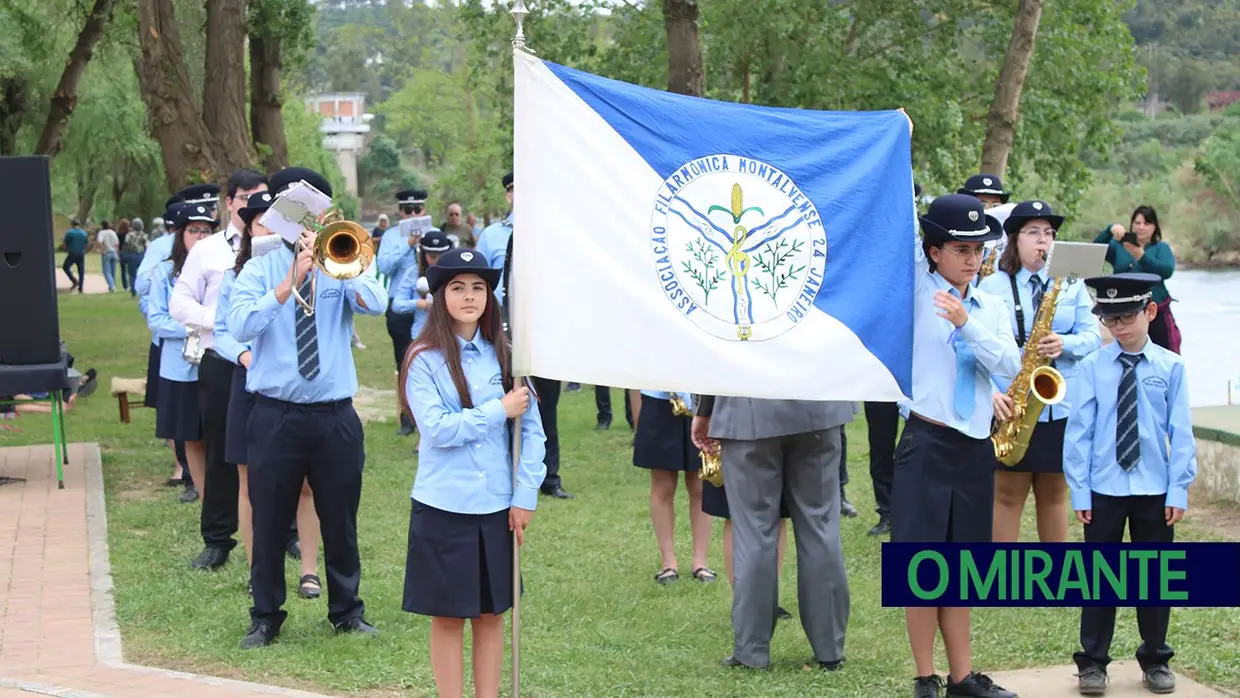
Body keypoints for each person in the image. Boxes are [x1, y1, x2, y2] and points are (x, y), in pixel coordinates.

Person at [227, 167, 385, 649]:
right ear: (278, 221)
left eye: (314, 219)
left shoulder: (345, 258)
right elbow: (238, 326)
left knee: (340, 517)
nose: (306, 229)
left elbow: (377, 304)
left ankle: (347, 611)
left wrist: (348, 270)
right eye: (297, 219)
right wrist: (290, 279)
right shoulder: (258, 269)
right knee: (271, 519)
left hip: (334, 414)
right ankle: (266, 616)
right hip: (276, 415)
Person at [399, 247, 546, 698]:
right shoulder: (424, 359)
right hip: (445, 505)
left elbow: (534, 433)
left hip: (497, 506)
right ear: (441, 295)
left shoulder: (505, 356)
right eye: (458, 288)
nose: (469, 297)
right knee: (448, 617)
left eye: (478, 288)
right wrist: (497, 410)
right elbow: (439, 431)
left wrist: (525, 494)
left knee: (491, 614)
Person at [896, 193, 1021, 698]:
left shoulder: (987, 304)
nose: (973, 258)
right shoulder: (910, 294)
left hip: (972, 444)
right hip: (927, 439)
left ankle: (962, 676)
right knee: (923, 563)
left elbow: (1011, 365)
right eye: (961, 249)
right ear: (933, 252)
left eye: (979, 249)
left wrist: (967, 325)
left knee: (962, 565)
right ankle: (925, 677)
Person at [1064, 272, 1197, 696]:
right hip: (1103, 488)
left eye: (1126, 317)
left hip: (1155, 490)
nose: (1118, 327)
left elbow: (1182, 433)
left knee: (1154, 578)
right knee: (1099, 578)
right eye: (1109, 319)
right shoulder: (1091, 367)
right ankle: (1093, 663)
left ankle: (1156, 657)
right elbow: (1079, 433)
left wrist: (1178, 489)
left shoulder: (1171, 367)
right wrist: (1080, 491)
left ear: (1150, 311)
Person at [690, 395, 854, 672]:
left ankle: (751, 650)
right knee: (821, 527)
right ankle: (830, 649)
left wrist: (704, 409)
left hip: (747, 408)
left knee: (754, 531)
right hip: (819, 406)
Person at [217, 190, 322, 599]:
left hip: (303, 389)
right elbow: (227, 328)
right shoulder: (241, 272)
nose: (265, 226)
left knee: (307, 486)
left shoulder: (315, 262)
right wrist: (243, 356)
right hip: (253, 383)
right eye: (258, 220)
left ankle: (309, 570)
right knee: (252, 486)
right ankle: (255, 566)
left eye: (271, 219)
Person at [980, 200, 1101, 544]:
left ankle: (1054, 577)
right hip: (1011, 401)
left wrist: (1065, 344)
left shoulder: (1071, 283)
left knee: (1054, 494)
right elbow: (979, 347)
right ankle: (1001, 576)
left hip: (1060, 405)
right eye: (1033, 232)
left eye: (1049, 233)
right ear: (1015, 239)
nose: (1043, 241)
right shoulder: (992, 285)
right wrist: (993, 393)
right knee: (1006, 494)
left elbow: (1093, 336)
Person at [171, 169, 267, 572]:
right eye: (245, 197)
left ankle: (286, 534)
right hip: (221, 362)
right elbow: (180, 305)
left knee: (275, 451)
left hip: (269, 363)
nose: (253, 204)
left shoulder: (278, 247)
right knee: (221, 453)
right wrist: (224, 319)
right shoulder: (207, 250)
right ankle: (217, 539)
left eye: (262, 197)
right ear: (229, 202)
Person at [488, 171, 572, 500]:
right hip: (498, 333)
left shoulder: (550, 235)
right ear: (508, 195)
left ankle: (549, 475)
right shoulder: (492, 235)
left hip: (541, 334)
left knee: (545, 406)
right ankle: (508, 473)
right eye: (514, 191)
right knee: (504, 404)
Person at [148, 204, 215, 511]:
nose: (200, 236)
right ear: (180, 233)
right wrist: (193, 324)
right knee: (187, 429)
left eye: (206, 230)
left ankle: (217, 484)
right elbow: (157, 319)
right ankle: (191, 480)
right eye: (194, 230)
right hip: (180, 362)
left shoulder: (220, 264)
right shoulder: (164, 270)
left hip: (215, 359)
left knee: (214, 425)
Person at [633, 391, 714, 585]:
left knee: (700, 485)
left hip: (700, 400)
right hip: (659, 401)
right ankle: (668, 563)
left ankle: (700, 562)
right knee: (663, 485)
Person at [136, 201, 190, 492]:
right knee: (173, 407)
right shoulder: (161, 252)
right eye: (192, 229)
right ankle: (181, 465)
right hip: (171, 343)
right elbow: (141, 287)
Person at [377, 189, 437, 437]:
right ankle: (407, 416)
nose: (413, 214)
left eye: (417, 210)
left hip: (431, 307)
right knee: (404, 363)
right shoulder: (392, 236)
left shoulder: (433, 235)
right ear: (401, 212)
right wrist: (408, 244)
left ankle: (431, 412)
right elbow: (384, 266)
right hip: (401, 306)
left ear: (423, 211)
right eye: (408, 210)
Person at [1093, 206, 1180, 354]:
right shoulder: (1118, 246)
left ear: (1154, 227)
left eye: (1146, 224)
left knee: (1164, 352)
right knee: (1128, 351)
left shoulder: (1161, 247)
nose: (1141, 227)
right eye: (1137, 223)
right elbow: (1095, 251)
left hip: (1156, 309)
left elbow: (1166, 271)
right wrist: (1109, 230)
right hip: (1124, 310)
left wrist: (1141, 256)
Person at [391, 230, 454, 344]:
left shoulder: (455, 273)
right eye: (432, 256)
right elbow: (397, 304)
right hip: (421, 336)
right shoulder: (413, 273)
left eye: (441, 256)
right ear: (423, 254)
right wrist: (420, 303)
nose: (437, 260)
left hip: (450, 335)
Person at [62, 219, 88, 293]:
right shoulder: (84, 233)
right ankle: (81, 288)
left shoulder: (69, 232)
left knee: (65, 267)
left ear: (72, 225)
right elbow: (86, 244)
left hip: (72, 253)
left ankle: (74, 280)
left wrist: (65, 249)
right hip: (81, 253)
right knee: (81, 271)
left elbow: (64, 244)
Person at [97, 220, 119, 292]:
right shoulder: (113, 232)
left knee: (106, 271)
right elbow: (116, 243)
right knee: (113, 270)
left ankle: (112, 286)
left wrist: (103, 249)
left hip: (107, 253)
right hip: (114, 252)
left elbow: (100, 242)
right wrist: (117, 252)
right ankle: (112, 285)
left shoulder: (102, 233)